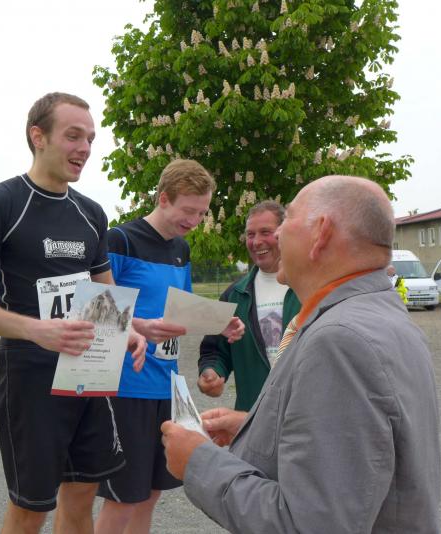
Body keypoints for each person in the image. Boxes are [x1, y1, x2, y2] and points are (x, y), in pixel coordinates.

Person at [162, 175, 441, 533]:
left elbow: (309, 523)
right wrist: (255, 430)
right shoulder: (381, 315)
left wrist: (197, 461)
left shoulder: (340, 340)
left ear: (321, 232)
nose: (277, 235)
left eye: (289, 218)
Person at [0, 92, 146, 534]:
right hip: (30, 376)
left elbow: (105, 293)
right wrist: (37, 331)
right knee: (31, 509)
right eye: (73, 136)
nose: (85, 148)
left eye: (91, 139)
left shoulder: (91, 213)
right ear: (37, 136)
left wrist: (128, 329)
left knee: (82, 495)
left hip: (89, 369)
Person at [94, 160, 244, 534]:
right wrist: (138, 327)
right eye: (189, 210)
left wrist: (220, 323)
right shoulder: (119, 240)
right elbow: (96, 311)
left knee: (151, 494)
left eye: (202, 213)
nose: (195, 220)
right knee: (123, 498)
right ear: (163, 198)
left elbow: (182, 312)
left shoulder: (182, 249)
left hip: (168, 388)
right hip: (126, 387)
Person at [196, 201, 301, 411]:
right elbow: (215, 350)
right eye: (250, 234)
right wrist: (211, 373)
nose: (256, 242)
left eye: (265, 232)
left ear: (284, 233)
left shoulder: (308, 288)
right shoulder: (234, 295)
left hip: (300, 414)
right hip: (251, 416)